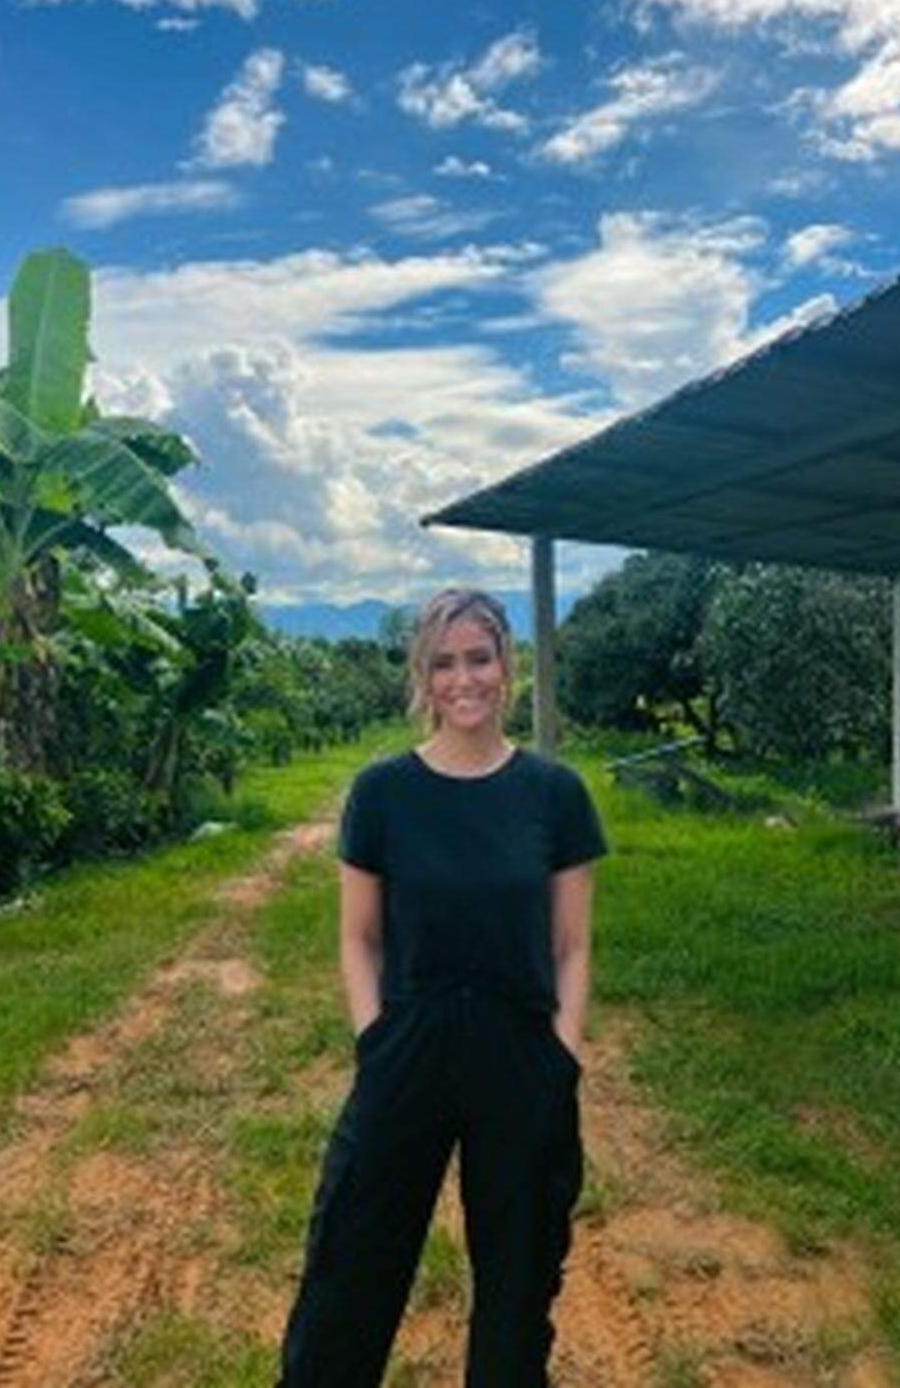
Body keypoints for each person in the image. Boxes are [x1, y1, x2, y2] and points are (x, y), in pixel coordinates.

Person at [276, 586, 607, 1387]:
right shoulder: (383, 794)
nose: (465, 679)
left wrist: (558, 1060)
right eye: (445, 663)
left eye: (480, 659)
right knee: (352, 1263)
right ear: (424, 676)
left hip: (520, 1054)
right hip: (409, 1048)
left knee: (519, 1281)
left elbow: (571, 947)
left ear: (507, 666)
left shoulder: (554, 795)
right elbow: (358, 938)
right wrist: (374, 1040)